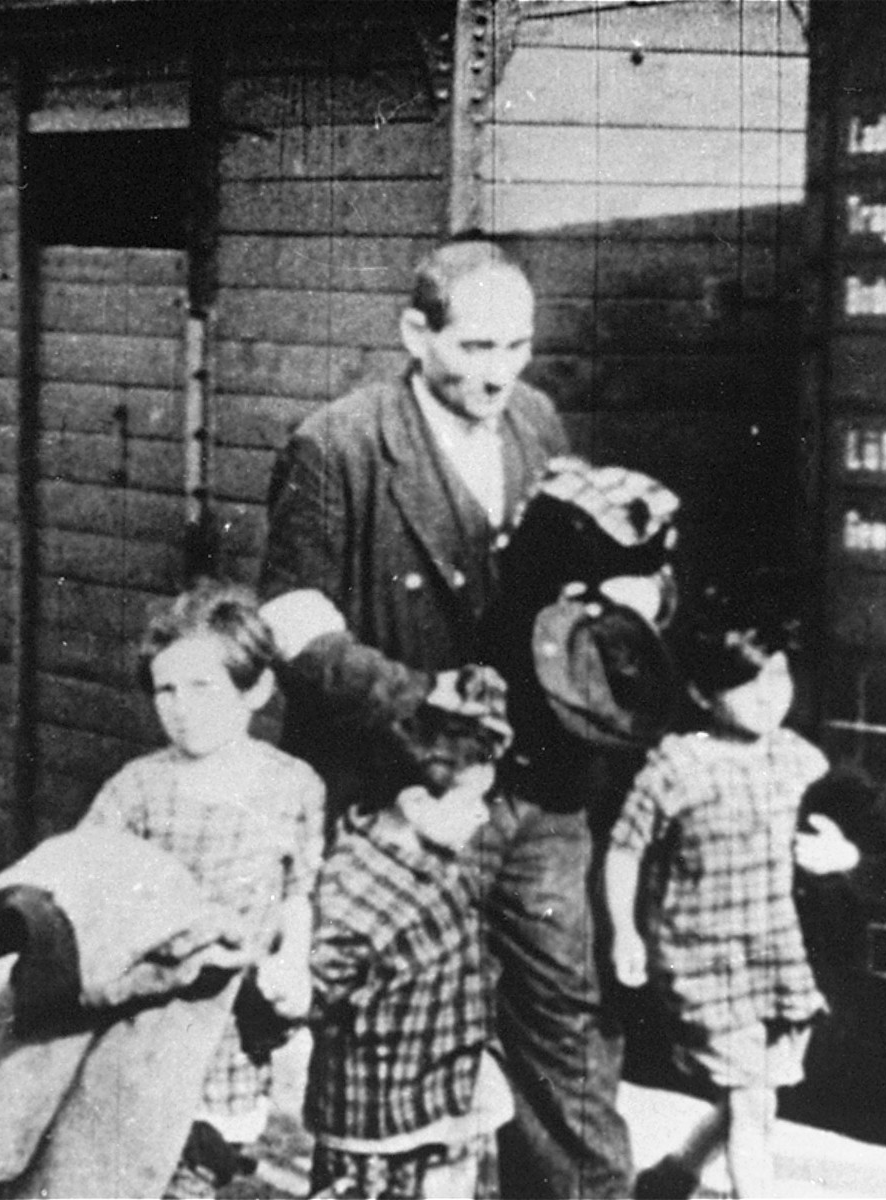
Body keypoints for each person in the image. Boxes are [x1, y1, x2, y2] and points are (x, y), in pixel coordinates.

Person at [260, 237, 633, 1197]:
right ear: (413, 332)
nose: (498, 373)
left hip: (537, 794)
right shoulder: (336, 445)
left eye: (517, 347)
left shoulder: (537, 423)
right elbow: (294, 625)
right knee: (409, 1039)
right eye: (474, 348)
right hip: (410, 803)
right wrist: (415, 703)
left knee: (566, 1027)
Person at [0, 579, 324, 1198]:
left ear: (257, 689)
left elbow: (299, 889)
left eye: (202, 687)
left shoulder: (293, 786)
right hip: (141, 1022)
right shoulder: (137, 789)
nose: (181, 707)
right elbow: (85, 886)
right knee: (112, 1153)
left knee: (197, 1164)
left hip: (229, 1026)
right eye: (166, 689)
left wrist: (291, 959)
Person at [603, 609, 859, 1198]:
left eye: (780, 677)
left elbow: (851, 814)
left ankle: (676, 1175)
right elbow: (624, 851)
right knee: (751, 1100)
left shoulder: (797, 757)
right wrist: (625, 930)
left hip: (775, 952)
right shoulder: (676, 765)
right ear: (702, 692)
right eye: (748, 683)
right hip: (703, 959)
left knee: (757, 1091)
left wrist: (844, 849)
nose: (771, 697)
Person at [304, 666, 515, 1199]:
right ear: (416, 804)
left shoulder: (429, 857)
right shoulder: (356, 891)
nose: (480, 818)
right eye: (471, 803)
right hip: (378, 1115)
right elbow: (316, 989)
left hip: (442, 1089)